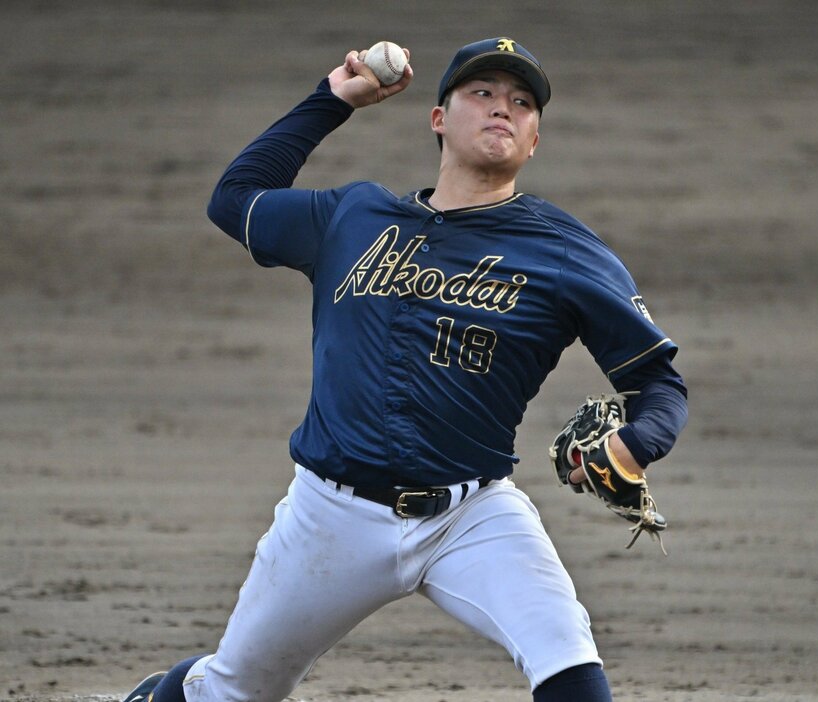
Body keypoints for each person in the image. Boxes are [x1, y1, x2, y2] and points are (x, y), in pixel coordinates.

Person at [121, 37, 688, 702]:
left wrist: (637, 441)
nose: (502, 108)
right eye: (482, 93)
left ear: (535, 140)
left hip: (471, 514)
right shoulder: (353, 218)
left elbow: (658, 383)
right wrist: (331, 100)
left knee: (573, 673)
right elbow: (235, 199)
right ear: (439, 118)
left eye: (522, 102)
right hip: (330, 516)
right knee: (230, 692)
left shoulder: (565, 252)